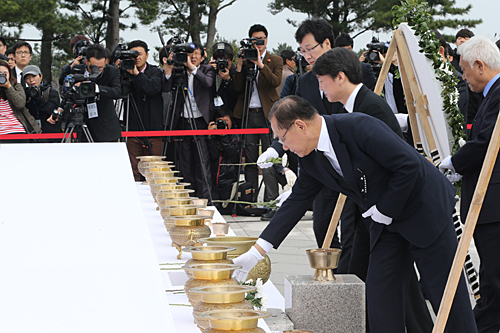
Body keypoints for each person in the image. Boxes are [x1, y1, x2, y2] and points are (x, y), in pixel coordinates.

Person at [234, 95, 477, 333]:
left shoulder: (358, 126)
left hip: (424, 211)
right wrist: (256, 253)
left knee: (446, 297)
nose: (284, 147)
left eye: (282, 138)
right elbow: (297, 201)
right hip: (386, 223)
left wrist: (384, 209)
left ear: (300, 125)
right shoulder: (310, 157)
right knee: (381, 297)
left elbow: (408, 166)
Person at [439, 35, 500, 333]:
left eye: (464, 70)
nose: (463, 77)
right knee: (490, 280)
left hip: (494, 205)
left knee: (495, 280)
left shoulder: (499, 92)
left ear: (479, 65)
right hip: (490, 203)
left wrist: (454, 163)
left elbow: (486, 141)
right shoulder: (492, 93)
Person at [233, 24, 283, 200]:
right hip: (248, 113)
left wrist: (261, 65)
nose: (258, 43)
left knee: (269, 156)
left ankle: (271, 198)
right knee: (251, 158)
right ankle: (250, 197)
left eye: (261, 39)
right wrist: (239, 65)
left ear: (266, 40)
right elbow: (237, 87)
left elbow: (275, 81)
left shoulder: (275, 60)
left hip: (267, 113)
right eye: (255, 40)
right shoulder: (245, 59)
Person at [162, 42, 215, 200]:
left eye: (196, 54)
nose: (193, 57)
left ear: (202, 55)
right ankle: (188, 196)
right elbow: (165, 88)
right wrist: (168, 68)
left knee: (202, 161)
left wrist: (192, 68)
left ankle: (205, 199)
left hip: (200, 121)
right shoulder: (179, 71)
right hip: (183, 121)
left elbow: (208, 83)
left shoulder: (207, 69)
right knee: (185, 161)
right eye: (189, 55)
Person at [50, 44, 122, 142]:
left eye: (101, 67)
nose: (98, 71)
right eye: (94, 67)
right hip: (81, 121)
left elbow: (117, 92)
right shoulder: (78, 70)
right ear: (87, 62)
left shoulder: (112, 71)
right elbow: (69, 91)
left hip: (105, 126)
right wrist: (60, 109)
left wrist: (94, 88)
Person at [121, 40, 164, 181]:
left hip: (153, 128)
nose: (137, 58)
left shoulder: (156, 71)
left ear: (147, 55)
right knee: (134, 170)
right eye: (133, 55)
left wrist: (136, 74)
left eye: (139, 54)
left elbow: (152, 88)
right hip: (133, 130)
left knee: (153, 170)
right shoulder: (123, 73)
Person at [207, 107, 241, 214]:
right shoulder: (214, 136)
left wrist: (224, 136)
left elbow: (232, 153)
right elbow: (214, 155)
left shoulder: (236, 135)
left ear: (231, 122)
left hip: (229, 183)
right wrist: (210, 136)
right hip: (214, 183)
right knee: (214, 209)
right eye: (219, 122)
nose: (223, 124)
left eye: (226, 121)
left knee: (226, 210)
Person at [0, 60, 41, 142]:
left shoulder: (16, 86)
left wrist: (8, 87)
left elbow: (20, 104)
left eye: (5, 74)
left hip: (18, 130)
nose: (2, 76)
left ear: (10, 74)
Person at [23, 65, 62, 135]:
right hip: (33, 133)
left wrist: (39, 99)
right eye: (27, 78)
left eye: (34, 76)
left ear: (40, 76)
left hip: (51, 134)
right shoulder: (26, 94)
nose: (31, 80)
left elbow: (52, 110)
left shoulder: (51, 92)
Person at [209, 42, 238, 112]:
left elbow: (238, 96)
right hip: (211, 112)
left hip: (229, 112)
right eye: (219, 60)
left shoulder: (236, 73)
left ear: (232, 60)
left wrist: (228, 80)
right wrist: (208, 70)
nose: (221, 64)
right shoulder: (208, 69)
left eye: (225, 61)